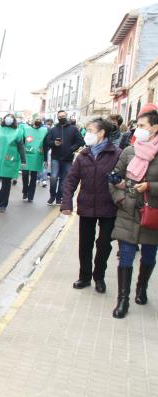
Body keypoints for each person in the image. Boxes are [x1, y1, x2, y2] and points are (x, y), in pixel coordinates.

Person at [61, 118, 121, 293]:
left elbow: (123, 178)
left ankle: (99, 276)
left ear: (101, 133)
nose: (87, 134)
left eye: (90, 130)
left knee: (104, 244)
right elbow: (71, 180)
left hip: (108, 207)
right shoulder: (83, 155)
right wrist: (66, 203)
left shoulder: (116, 154)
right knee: (85, 244)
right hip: (86, 205)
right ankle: (85, 276)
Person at [109, 110, 158, 319]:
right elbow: (114, 178)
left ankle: (142, 288)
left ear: (155, 128)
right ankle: (123, 300)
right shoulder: (129, 151)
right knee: (126, 256)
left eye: (143, 125)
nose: (139, 129)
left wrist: (150, 186)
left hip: (151, 212)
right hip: (127, 209)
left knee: (148, 255)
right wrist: (119, 198)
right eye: (138, 125)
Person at [0, 113, 26, 212]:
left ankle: (3, 204)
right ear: (4, 119)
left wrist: (23, 160)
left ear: (14, 121)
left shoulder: (17, 132)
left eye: (11, 118)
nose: (9, 119)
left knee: (6, 184)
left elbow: (21, 147)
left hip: (9, 161)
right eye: (7, 117)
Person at [45, 110, 84, 205]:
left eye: (63, 116)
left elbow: (80, 141)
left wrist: (72, 149)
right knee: (53, 178)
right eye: (59, 116)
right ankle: (52, 196)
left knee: (64, 179)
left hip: (68, 158)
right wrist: (54, 143)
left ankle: (59, 198)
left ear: (66, 116)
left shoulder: (73, 129)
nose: (61, 118)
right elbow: (47, 142)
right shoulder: (53, 129)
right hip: (55, 157)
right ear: (57, 118)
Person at [21, 118, 48, 202]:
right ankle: (25, 190)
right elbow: (21, 142)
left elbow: (46, 145)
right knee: (25, 174)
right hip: (26, 155)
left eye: (40, 119)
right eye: (37, 119)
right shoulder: (26, 129)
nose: (38, 121)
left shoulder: (44, 131)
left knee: (34, 176)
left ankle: (30, 195)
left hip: (37, 156)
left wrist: (45, 158)